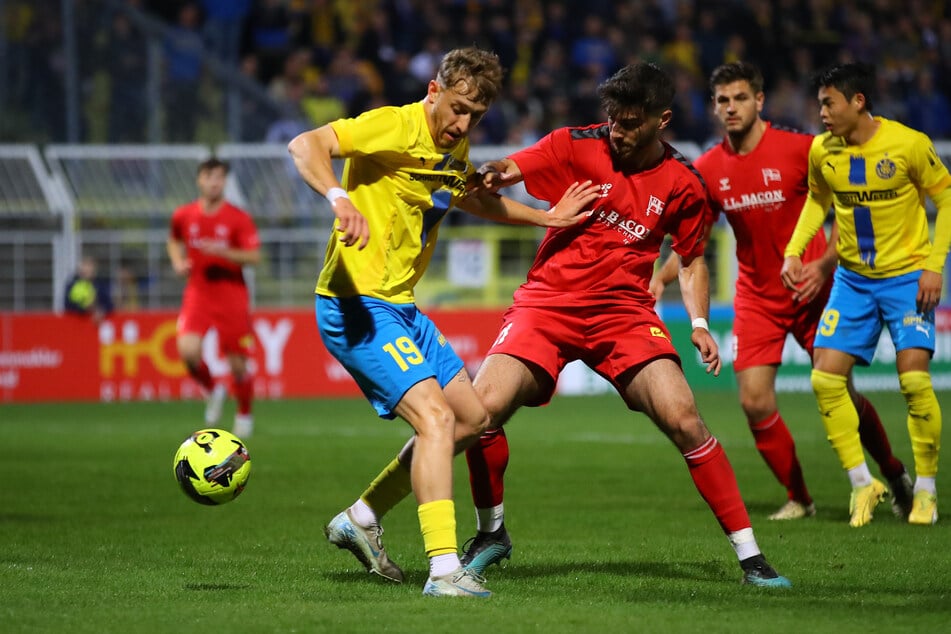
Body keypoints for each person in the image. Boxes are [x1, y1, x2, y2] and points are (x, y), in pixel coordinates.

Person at [319, 62, 792, 589]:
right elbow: (511, 168)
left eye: (631, 122)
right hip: (547, 304)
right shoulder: (575, 143)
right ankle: (489, 532)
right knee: (479, 412)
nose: (617, 129)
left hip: (623, 313)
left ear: (662, 121)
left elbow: (692, 258)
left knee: (684, 418)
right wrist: (496, 171)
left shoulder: (684, 184)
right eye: (613, 117)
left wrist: (700, 321)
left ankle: (751, 558)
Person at [287, 47, 600, 599]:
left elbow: (467, 198)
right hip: (354, 303)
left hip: (402, 308)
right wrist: (339, 197)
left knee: (474, 418)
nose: (463, 124)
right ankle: (443, 569)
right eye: (456, 108)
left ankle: (361, 517)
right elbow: (304, 144)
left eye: (475, 116)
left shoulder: (454, 145)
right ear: (433, 89)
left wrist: (545, 215)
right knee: (433, 417)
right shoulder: (394, 123)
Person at [650, 62, 912, 522]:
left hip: (816, 289)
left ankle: (893, 473)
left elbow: (850, 212)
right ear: (714, 107)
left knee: (842, 393)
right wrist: (660, 276)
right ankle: (800, 498)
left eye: (740, 98)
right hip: (756, 297)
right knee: (754, 400)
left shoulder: (801, 150)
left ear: (760, 101)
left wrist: (823, 264)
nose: (731, 108)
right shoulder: (709, 167)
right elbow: (694, 240)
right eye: (723, 100)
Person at [782, 62, 951, 527]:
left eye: (828, 103)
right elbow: (819, 201)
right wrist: (795, 251)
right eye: (819, 104)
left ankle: (926, 492)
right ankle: (864, 483)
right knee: (824, 379)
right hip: (853, 281)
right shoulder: (823, 151)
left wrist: (934, 268)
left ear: (858, 102)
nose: (821, 113)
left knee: (914, 382)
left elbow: (947, 197)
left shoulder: (909, 144)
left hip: (906, 280)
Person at [167, 158, 261, 439]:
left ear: (225, 181)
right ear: (199, 180)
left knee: (237, 364)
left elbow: (254, 256)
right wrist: (177, 261)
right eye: (209, 176)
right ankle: (213, 388)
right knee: (187, 351)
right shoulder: (184, 215)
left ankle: (244, 413)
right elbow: (173, 240)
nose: (214, 182)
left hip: (231, 295)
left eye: (219, 177)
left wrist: (223, 252)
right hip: (198, 292)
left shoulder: (238, 218)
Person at [64, 254, 114, 323]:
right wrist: (85, 308)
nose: (87, 269)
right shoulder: (72, 285)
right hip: (76, 325)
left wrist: (101, 311)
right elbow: (68, 306)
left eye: (90, 266)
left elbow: (109, 305)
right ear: (80, 268)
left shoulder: (100, 285)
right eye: (85, 265)